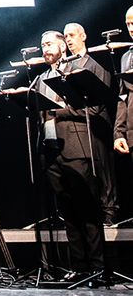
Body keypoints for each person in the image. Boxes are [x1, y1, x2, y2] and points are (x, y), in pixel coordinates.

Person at [31, 30, 105, 279]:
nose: (45, 48)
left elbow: (94, 108)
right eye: (42, 45)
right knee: (68, 213)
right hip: (51, 152)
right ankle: (79, 267)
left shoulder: (76, 72)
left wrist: (61, 108)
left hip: (76, 147)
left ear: (63, 46)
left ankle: (97, 266)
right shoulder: (41, 77)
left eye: (50, 43)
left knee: (87, 209)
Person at [63, 22, 118, 224]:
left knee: (104, 169)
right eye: (65, 36)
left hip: (97, 124)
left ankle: (110, 211)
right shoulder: (66, 66)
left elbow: (100, 102)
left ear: (83, 36)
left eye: (72, 35)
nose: (68, 39)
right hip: (79, 126)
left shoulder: (95, 64)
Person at [114, 6, 133, 171]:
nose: (131, 29)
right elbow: (122, 98)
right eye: (128, 24)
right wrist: (119, 134)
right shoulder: (126, 58)